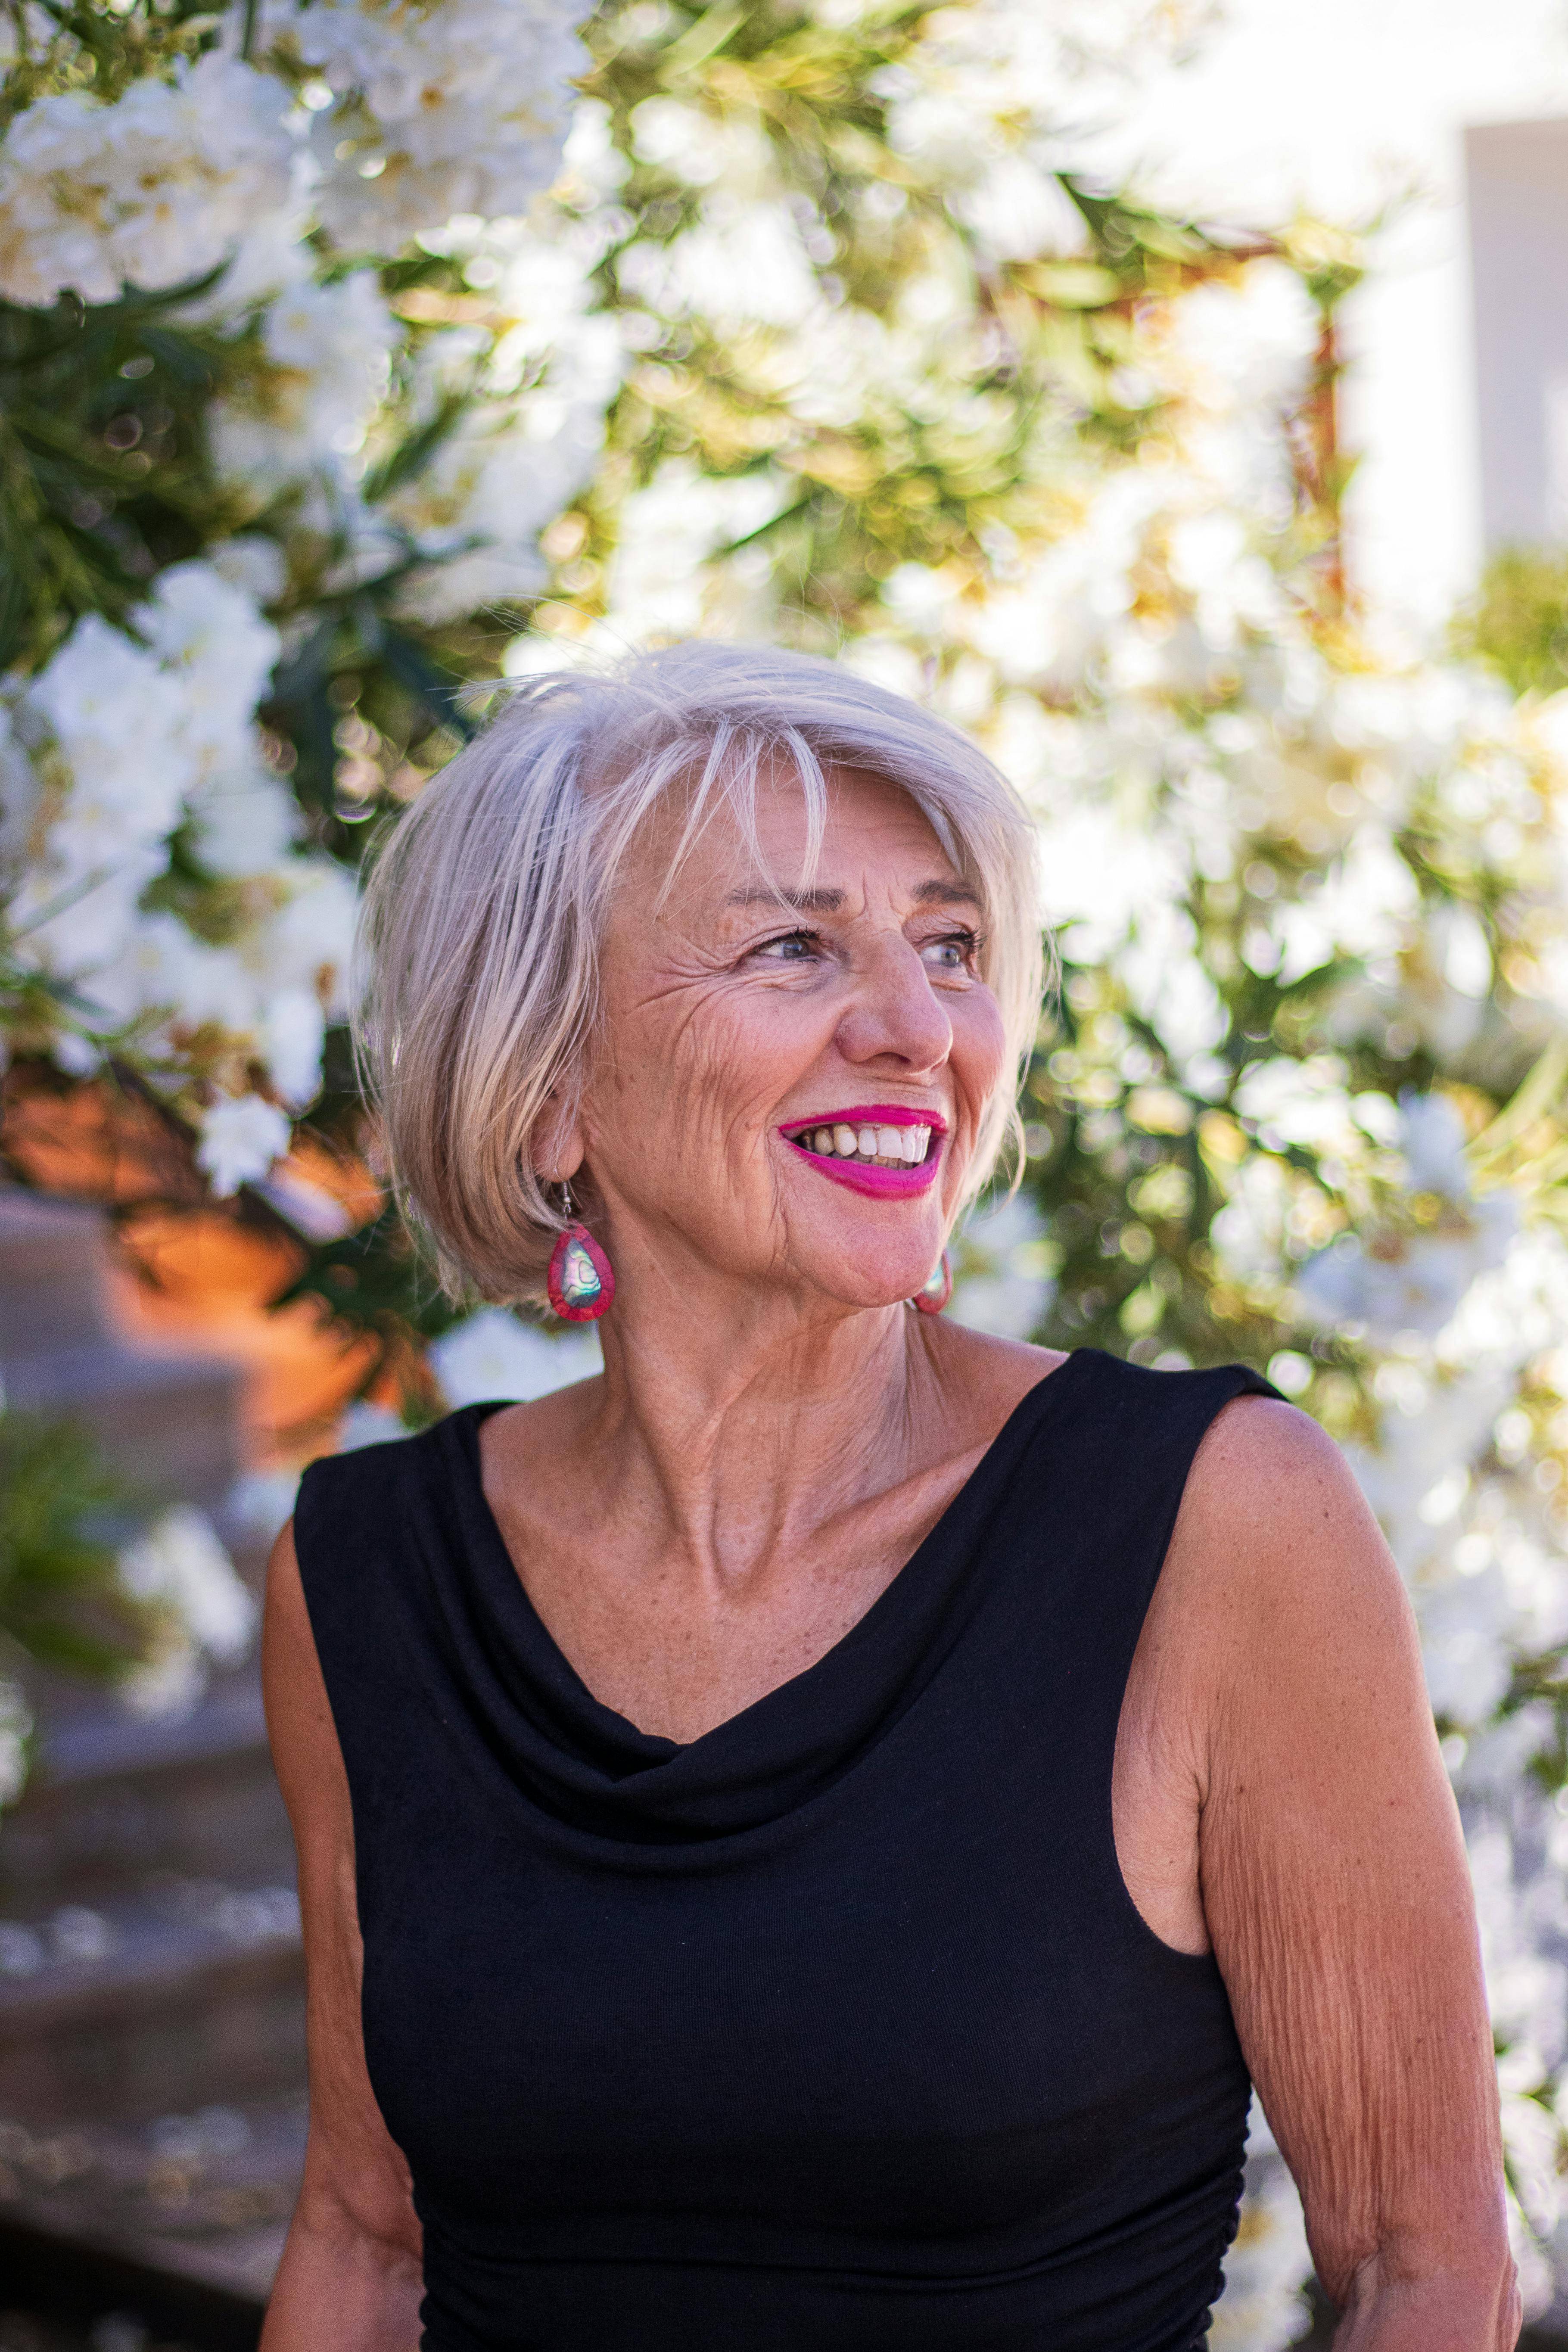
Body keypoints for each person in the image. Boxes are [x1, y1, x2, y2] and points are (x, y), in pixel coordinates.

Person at [260, 643, 1518, 2352]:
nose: (918, 1028)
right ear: (549, 1090)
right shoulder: (366, 1581)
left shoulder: (1210, 1525)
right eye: (793, 946)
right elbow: (362, 2236)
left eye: (949, 947)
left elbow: (1420, 2273)